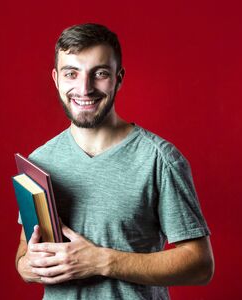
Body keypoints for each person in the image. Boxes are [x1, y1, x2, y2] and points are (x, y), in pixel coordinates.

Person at [15, 23, 214, 300]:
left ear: (118, 78)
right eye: (71, 73)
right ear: (56, 78)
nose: (84, 88)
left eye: (100, 74)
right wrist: (27, 265)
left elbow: (201, 265)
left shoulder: (160, 159)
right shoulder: (40, 161)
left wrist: (99, 260)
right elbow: (25, 253)